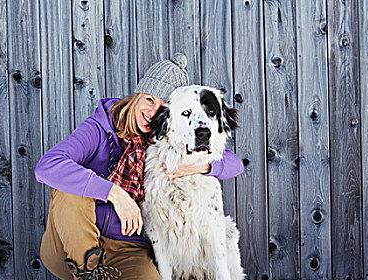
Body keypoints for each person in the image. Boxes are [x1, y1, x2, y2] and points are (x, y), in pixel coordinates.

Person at [34, 53, 244, 280]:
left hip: (127, 249)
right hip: (70, 246)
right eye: (149, 100)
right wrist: (114, 193)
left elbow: (233, 163)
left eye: (162, 107)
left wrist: (198, 168)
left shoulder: (167, 142)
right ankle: (88, 272)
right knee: (68, 191)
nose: (152, 112)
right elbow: (47, 166)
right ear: (137, 96)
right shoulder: (100, 127)